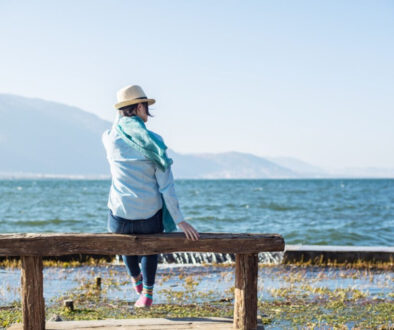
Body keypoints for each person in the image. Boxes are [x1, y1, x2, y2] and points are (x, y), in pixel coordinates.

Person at [102, 85, 199, 308]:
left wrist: (122, 113)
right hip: (148, 216)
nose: (148, 111)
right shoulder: (154, 141)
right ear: (138, 107)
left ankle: (136, 281)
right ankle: (147, 294)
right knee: (150, 247)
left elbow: (115, 126)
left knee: (127, 242)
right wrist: (179, 220)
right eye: (145, 106)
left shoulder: (110, 139)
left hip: (119, 218)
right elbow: (167, 187)